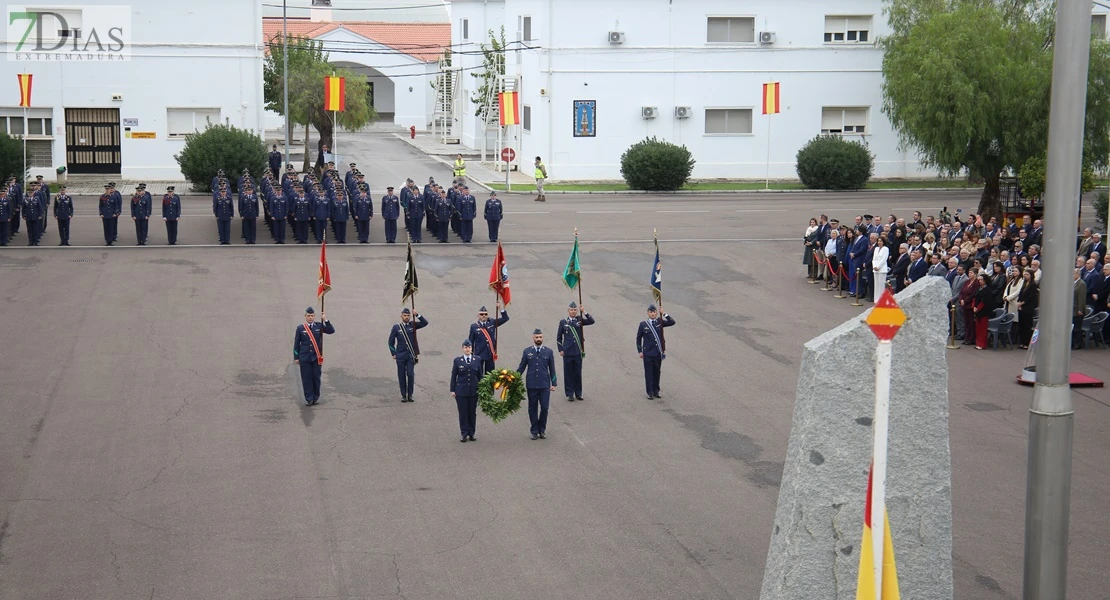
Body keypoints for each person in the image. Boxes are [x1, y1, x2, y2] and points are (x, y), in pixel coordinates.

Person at [518, 328, 558, 440]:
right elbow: (521, 367)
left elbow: (552, 369)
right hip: (532, 385)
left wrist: (554, 383)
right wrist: (513, 378)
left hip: (544, 384)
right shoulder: (527, 352)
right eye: (537, 337)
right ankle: (535, 430)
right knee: (532, 408)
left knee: (544, 408)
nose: (539, 339)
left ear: (542, 338)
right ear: (533, 338)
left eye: (540, 337)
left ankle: (542, 429)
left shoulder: (548, 352)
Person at [293, 307, 335, 406]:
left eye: (312, 316)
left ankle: (316, 397)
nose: (310, 318)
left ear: (314, 316)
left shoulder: (319, 326)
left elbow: (331, 330)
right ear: (305, 317)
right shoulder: (300, 328)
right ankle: (309, 399)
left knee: (316, 378)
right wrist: (296, 357)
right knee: (306, 379)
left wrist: (325, 320)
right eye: (308, 316)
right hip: (305, 358)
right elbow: (296, 344)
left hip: (316, 357)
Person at [557, 301, 595, 401]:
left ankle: (578, 393)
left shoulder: (580, 320)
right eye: (571, 310)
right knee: (568, 373)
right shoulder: (563, 322)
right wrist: (560, 349)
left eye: (575, 310)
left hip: (578, 351)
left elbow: (591, 321)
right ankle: (570, 393)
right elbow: (559, 337)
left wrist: (584, 311)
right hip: (567, 352)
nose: (573, 312)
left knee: (577, 373)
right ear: (568, 311)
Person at [636, 303, 676, 399]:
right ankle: (650, 392)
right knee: (649, 373)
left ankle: (656, 391)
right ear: (648, 313)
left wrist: (664, 313)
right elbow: (638, 339)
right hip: (648, 353)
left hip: (658, 352)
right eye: (651, 312)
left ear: (657, 313)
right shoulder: (643, 324)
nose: (653, 314)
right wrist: (639, 351)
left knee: (657, 372)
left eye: (654, 312)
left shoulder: (660, 322)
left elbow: (672, 322)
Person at [388, 307, 428, 403]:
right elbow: (390, 342)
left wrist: (417, 315)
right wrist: (394, 353)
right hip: (400, 356)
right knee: (401, 376)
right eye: (404, 315)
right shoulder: (396, 327)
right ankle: (403, 395)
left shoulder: (412, 325)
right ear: (401, 316)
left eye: (408, 315)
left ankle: (410, 395)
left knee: (410, 374)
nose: (406, 317)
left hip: (410, 355)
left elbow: (425, 323)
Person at [450, 339, 483, 443]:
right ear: (462, 349)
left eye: (469, 347)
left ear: (471, 348)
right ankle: (464, 433)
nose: (467, 349)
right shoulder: (457, 361)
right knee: (463, 413)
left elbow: (480, 375)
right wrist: (452, 390)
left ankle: (471, 433)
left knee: (472, 413)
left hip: (474, 391)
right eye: (465, 347)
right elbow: (454, 376)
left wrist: (482, 388)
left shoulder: (477, 359)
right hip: (461, 391)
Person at [469, 304, 509, 374]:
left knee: (490, 374)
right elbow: (471, 341)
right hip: (479, 353)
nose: (484, 316)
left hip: (490, 353)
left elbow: (505, 318)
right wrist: (470, 355)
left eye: (485, 314)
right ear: (478, 316)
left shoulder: (492, 322)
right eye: (481, 314)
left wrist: (500, 309)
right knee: (479, 374)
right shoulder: (474, 326)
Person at [1017, 269, 1039, 349]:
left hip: (1028, 307)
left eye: (1027, 275)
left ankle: (1026, 343)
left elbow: (1031, 296)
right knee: (1021, 325)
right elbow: (1021, 293)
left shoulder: (1033, 284)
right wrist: (1019, 302)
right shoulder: (1024, 283)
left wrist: (1023, 303)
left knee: (1027, 325)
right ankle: (1022, 342)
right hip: (1021, 307)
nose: (1025, 276)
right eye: (1025, 274)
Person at [971, 273, 994, 350]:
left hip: (984, 312)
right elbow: (975, 298)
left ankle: (982, 344)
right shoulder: (979, 288)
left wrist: (978, 308)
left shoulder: (988, 290)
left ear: (985, 280)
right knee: (978, 328)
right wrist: (973, 307)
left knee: (983, 329)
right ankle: (978, 343)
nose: (980, 281)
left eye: (981, 280)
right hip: (977, 311)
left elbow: (984, 302)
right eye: (979, 280)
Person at [870, 237, 889, 302]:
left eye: (881, 241)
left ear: (883, 242)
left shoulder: (886, 249)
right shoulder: (876, 248)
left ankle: (881, 300)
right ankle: (876, 299)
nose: (879, 242)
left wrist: (878, 266)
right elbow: (874, 259)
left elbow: (884, 259)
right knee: (876, 285)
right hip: (875, 269)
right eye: (878, 241)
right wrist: (874, 266)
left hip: (882, 269)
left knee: (881, 285)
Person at [1073, 269, 1088, 350]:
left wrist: (1080, 309)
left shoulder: (1081, 284)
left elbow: (1081, 298)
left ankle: (1077, 343)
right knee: (1074, 327)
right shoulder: (1074, 283)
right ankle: (1074, 342)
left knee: (1077, 328)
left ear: (1078, 274)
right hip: (1072, 309)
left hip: (1077, 310)